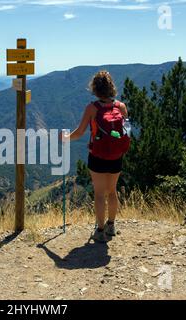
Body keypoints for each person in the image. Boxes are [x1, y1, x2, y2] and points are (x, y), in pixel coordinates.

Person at [62, 70, 129, 243]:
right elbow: (127, 132)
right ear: (111, 87)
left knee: (99, 194)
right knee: (112, 191)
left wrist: (66, 138)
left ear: (95, 88)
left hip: (97, 155)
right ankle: (111, 226)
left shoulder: (92, 108)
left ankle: (100, 230)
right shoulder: (121, 107)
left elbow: (80, 132)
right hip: (116, 156)